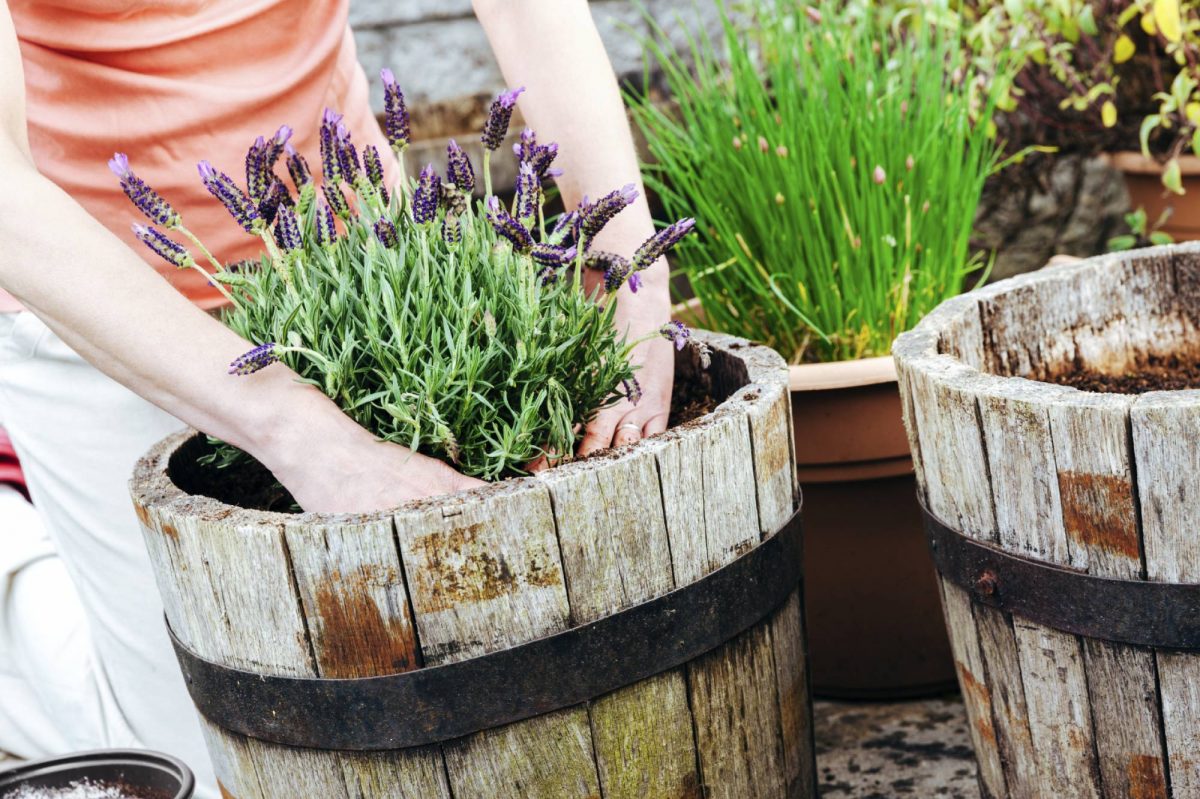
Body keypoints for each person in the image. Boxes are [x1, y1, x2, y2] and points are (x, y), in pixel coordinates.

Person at [0, 1, 674, 795]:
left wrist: (634, 274)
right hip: (106, 316)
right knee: (203, 759)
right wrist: (306, 436)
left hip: (352, 262)